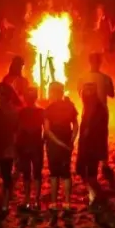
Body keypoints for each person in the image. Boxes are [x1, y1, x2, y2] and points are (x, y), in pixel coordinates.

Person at [43, 81, 77, 210]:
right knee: (66, 173)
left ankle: (53, 202)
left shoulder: (49, 109)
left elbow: (47, 130)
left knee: (54, 174)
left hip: (54, 146)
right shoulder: (70, 106)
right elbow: (76, 125)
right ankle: (67, 202)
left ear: (53, 92)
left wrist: (59, 143)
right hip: (66, 145)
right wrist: (71, 141)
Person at [75, 82, 107, 206]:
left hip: (91, 145)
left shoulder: (96, 108)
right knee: (87, 172)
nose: (83, 96)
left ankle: (94, 197)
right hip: (90, 145)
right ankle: (93, 195)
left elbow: (94, 130)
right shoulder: (90, 106)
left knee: (89, 173)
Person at [15, 86, 45, 210]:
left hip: (28, 145)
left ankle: (28, 198)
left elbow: (17, 130)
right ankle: (34, 199)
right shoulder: (40, 111)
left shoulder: (22, 112)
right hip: (33, 145)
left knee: (29, 173)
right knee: (34, 173)